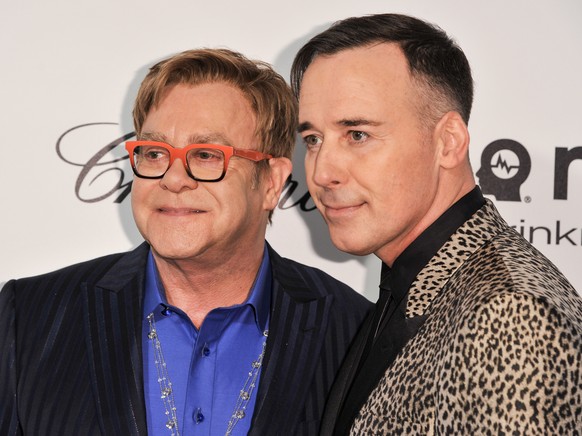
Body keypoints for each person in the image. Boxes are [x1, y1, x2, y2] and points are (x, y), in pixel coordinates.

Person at [0, 48, 371, 436]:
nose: (173, 179)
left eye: (207, 155)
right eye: (156, 152)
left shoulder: (354, 333)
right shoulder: (28, 317)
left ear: (271, 182)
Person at [291, 13, 582, 435]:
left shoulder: (510, 316)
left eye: (356, 135)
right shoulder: (418, 288)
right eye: (313, 140)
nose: (320, 173)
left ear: (448, 142)